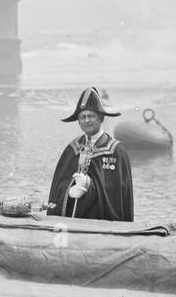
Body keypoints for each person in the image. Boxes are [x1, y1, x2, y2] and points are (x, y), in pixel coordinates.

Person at [46, 87, 134, 221]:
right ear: (78, 121)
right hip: (73, 225)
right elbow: (59, 185)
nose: (87, 121)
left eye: (91, 116)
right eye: (82, 117)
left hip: (104, 227)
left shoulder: (116, 151)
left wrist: (89, 185)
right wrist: (69, 191)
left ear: (101, 118)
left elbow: (117, 196)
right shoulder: (72, 148)